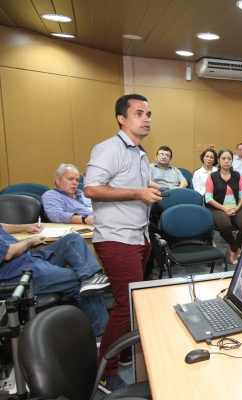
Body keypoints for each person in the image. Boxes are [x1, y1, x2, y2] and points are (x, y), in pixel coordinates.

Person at [84, 94, 163, 393]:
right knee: (125, 306)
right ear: (121, 118)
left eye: (149, 114)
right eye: (139, 113)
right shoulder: (109, 148)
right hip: (117, 239)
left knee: (133, 303)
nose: (146, 119)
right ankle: (106, 369)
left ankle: (124, 351)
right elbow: (91, 188)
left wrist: (153, 189)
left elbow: (131, 185)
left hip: (138, 236)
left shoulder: (139, 152)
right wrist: (138, 194)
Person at [0, 223, 109, 336]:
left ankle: (91, 277)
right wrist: (30, 241)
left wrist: (24, 227)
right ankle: (101, 335)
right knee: (80, 281)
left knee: (72, 239)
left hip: (30, 261)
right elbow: (8, 253)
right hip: (19, 275)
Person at [205, 149, 242, 265]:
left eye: (229, 159)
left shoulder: (237, 176)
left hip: (235, 207)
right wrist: (225, 209)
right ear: (218, 161)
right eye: (223, 159)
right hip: (218, 209)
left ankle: (232, 249)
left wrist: (236, 208)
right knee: (225, 225)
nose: (226, 161)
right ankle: (235, 248)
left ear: (232, 161)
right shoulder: (212, 177)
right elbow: (208, 198)